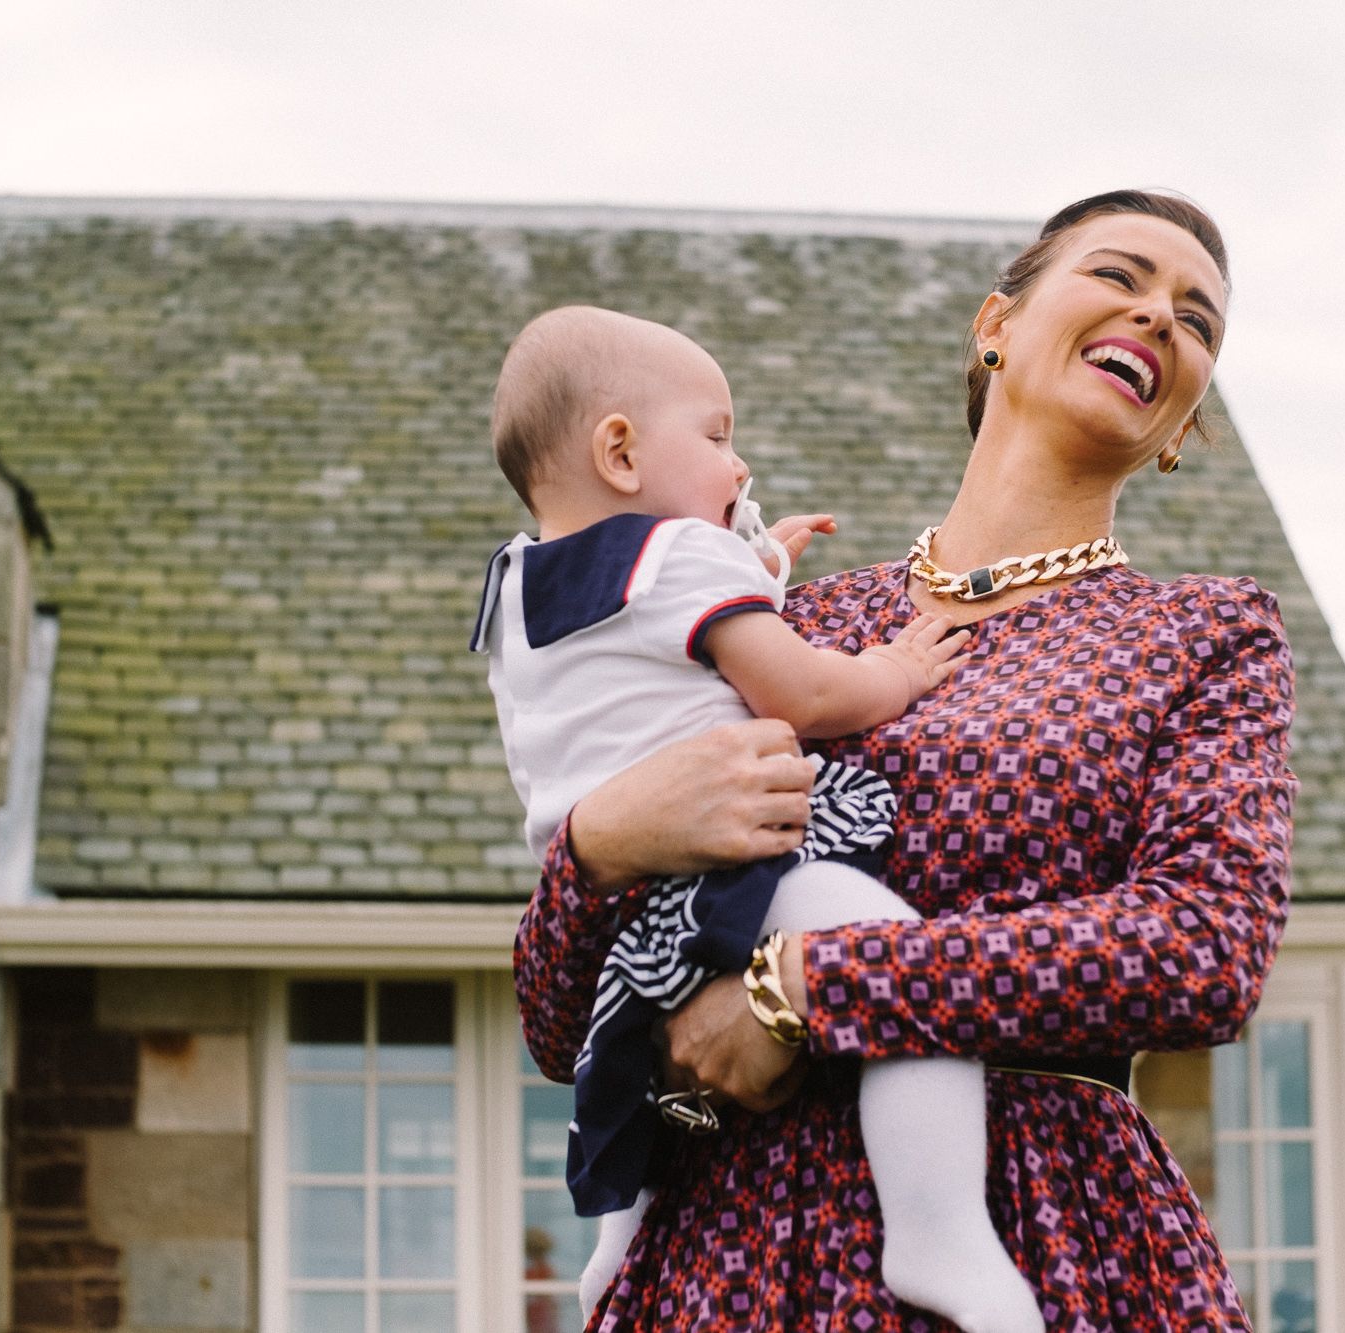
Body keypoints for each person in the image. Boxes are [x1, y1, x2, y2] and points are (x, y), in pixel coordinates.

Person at [514, 190, 1298, 1332]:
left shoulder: (1204, 632)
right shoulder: (784, 622)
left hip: (1042, 1229)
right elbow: (555, 1020)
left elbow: (1199, 948)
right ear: (995, 325)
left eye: (1198, 320)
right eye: (1119, 276)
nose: (1160, 318)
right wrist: (597, 842)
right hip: (733, 1250)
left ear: (1180, 421)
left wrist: (801, 994)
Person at [475, 306, 1046, 1332]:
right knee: (889, 947)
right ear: (619, 450)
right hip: (732, 874)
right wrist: (895, 666)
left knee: (631, 1042)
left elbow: (635, 653)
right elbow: (802, 695)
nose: (737, 465)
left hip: (615, 914)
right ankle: (936, 1227)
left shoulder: (518, 588)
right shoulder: (676, 562)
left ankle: (621, 1239)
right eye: (717, 434)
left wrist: (756, 568)